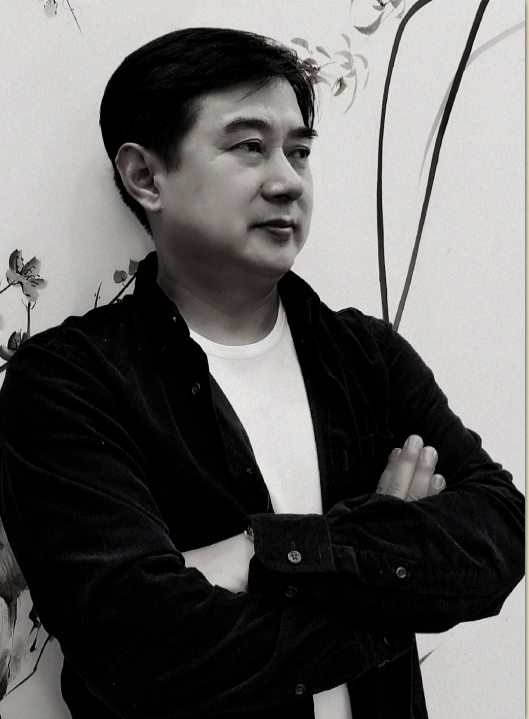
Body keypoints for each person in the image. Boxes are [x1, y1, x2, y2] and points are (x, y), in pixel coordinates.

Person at [0, 27, 523, 719]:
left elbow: (497, 536)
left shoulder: (366, 355)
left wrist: (257, 551)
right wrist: (394, 576)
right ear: (145, 176)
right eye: (249, 146)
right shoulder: (67, 382)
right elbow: (137, 645)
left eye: (299, 151)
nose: (287, 180)